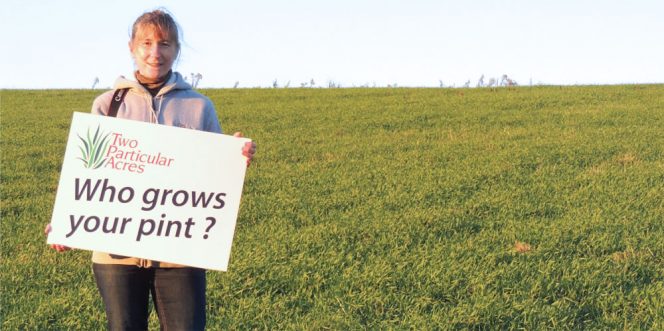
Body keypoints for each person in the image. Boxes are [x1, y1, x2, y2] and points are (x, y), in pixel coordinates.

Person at [45, 9, 256, 330]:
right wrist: (66, 221)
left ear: (177, 50)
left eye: (165, 44)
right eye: (146, 42)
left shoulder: (200, 106)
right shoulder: (107, 105)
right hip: (116, 255)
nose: (155, 52)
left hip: (181, 253)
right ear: (132, 47)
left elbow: (214, 178)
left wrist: (236, 156)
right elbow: (86, 175)